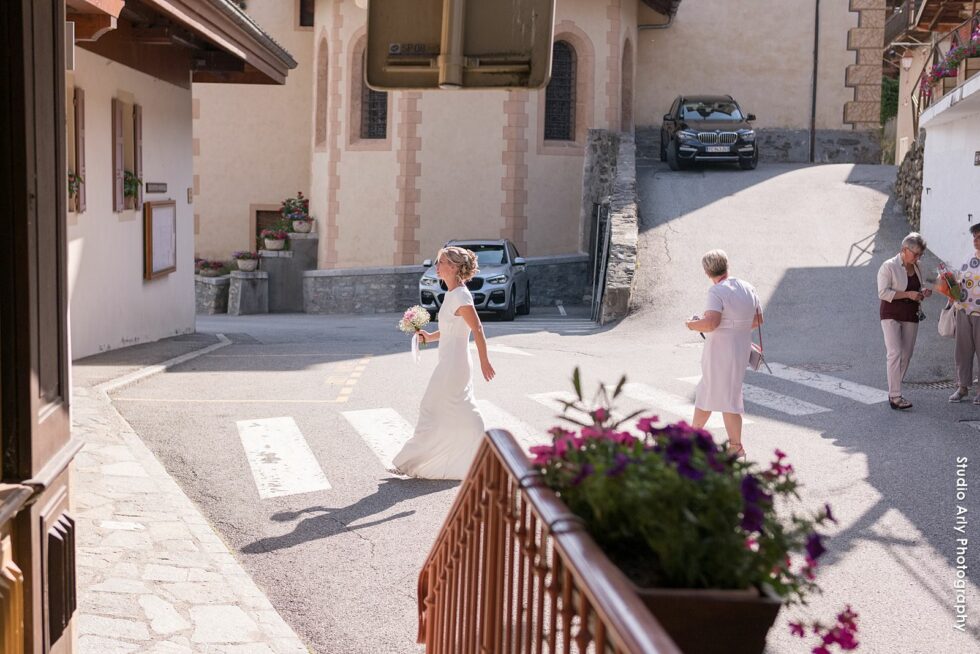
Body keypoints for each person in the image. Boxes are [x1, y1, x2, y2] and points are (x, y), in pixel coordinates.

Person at [391, 246, 496, 479]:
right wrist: (429, 336)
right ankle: (480, 454)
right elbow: (451, 329)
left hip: (455, 364)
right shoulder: (451, 294)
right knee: (454, 409)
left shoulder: (461, 295)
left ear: (454, 267)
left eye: (441, 262)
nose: (436, 266)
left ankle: (409, 461)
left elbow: (477, 328)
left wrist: (485, 361)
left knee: (431, 407)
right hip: (449, 361)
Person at [685, 249, 761, 458]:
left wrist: (691, 324)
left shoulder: (716, 292)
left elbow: (711, 323)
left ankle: (692, 439)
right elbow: (758, 320)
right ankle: (733, 445)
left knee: (710, 391)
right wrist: (736, 328)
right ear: (727, 265)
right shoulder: (747, 287)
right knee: (727, 395)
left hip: (720, 350)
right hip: (740, 347)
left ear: (707, 272)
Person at [876, 232, 932, 410]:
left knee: (906, 355)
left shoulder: (919, 266)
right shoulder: (888, 266)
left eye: (920, 254)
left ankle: (895, 388)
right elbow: (883, 292)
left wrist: (924, 292)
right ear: (904, 249)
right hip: (891, 313)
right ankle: (895, 395)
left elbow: (922, 285)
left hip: (911, 314)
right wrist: (908, 294)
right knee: (894, 352)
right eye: (915, 254)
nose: (918, 258)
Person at [948, 223, 980, 403]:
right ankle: (962, 387)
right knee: (962, 352)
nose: (975, 240)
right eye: (974, 237)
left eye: (979, 237)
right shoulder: (968, 259)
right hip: (963, 311)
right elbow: (959, 281)